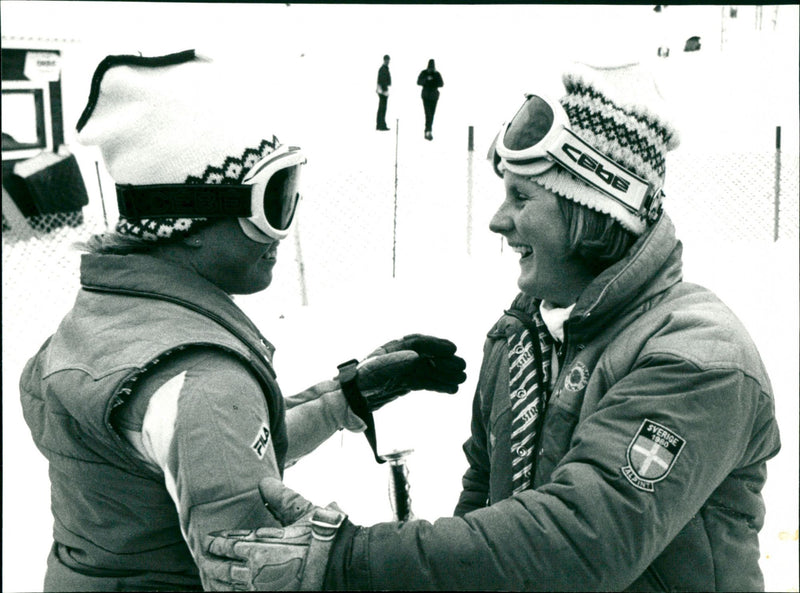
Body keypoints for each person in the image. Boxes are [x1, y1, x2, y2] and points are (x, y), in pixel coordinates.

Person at [200, 61, 782, 591]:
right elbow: (482, 503)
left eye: (521, 197)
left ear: (591, 210)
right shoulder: (518, 339)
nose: (498, 221)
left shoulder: (699, 357)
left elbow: (582, 543)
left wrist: (352, 560)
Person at [18, 49, 466, 592]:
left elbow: (217, 453)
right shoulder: (201, 379)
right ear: (192, 220)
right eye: (273, 202)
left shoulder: (105, 316)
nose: (282, 232)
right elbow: (254, 575)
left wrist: (341, 400)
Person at [416, 58, 444, 140]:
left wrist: (433, 81)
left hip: (433, 96)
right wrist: (426, 80)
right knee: (428, 114)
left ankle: (428, 130)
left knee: (431, 114)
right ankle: (428, 130)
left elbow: (441, 84)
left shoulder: (436, 74)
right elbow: (418, 82)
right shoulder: (424, 73)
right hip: (427, 96)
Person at [376, 54, 391, 131]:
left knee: (381, 108)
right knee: (382, 108)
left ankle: (380, 124)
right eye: (387, 60)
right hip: (383, 91)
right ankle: (381, 125)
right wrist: (385, 90)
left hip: (382, 91)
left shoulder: (383, 69)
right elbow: (382, 80)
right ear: (384, 60)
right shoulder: (383, 69)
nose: (388, 61)